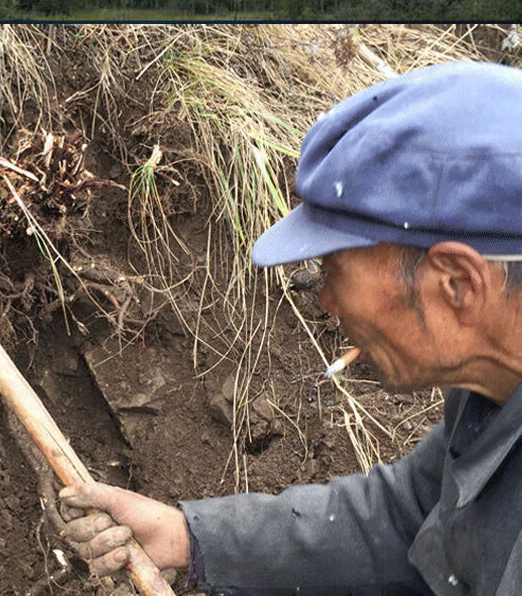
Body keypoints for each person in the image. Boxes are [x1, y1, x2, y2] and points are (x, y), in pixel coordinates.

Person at [57, 61, 522, 595]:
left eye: (334, 269)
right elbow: (409, 515)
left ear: (457, 285)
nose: (326, 300)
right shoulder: (490, 394)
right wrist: (188, 536)